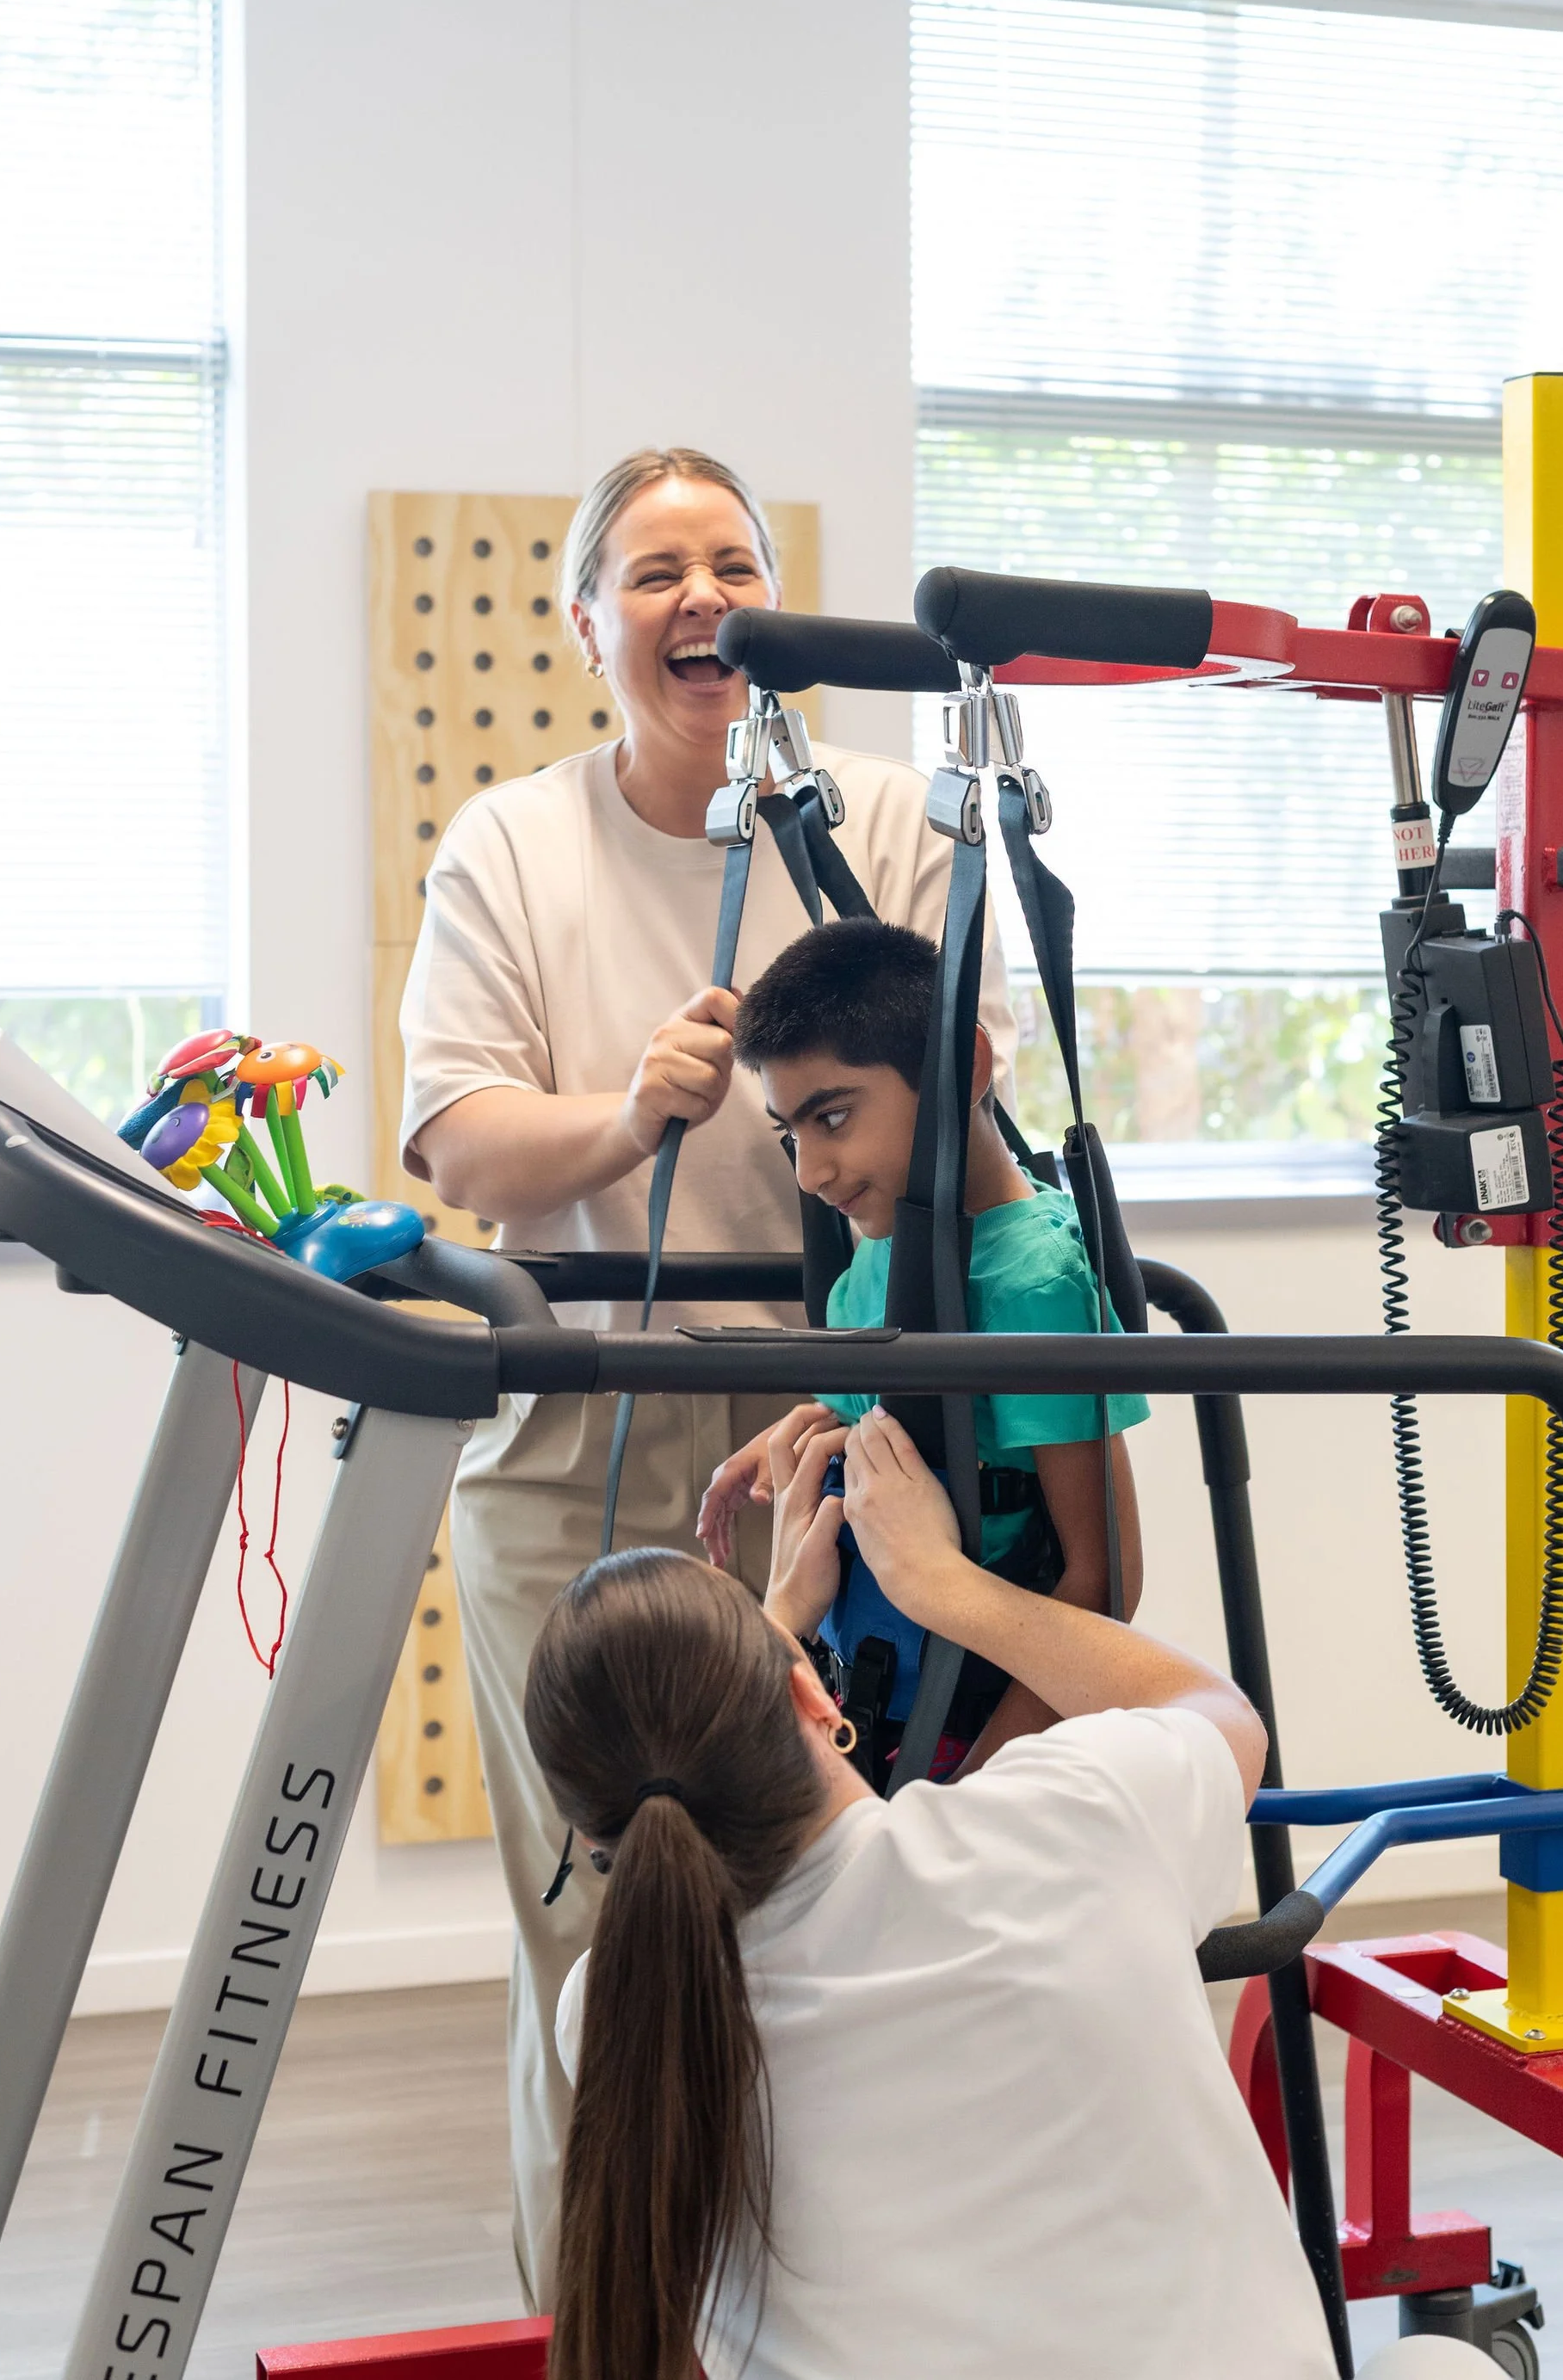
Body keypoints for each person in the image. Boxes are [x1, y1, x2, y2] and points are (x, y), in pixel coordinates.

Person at [398, 444, 1016, 2305]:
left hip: (837, 1425)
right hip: (583, 1438)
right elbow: (455, 1143)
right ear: (588, 623)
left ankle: (829, 2309)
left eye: (731, 564)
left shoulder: (884, 819)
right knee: (598, 1917)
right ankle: (606, 2321)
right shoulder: (514, 841)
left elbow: (965, 1081)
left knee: (840, 1892)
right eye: (652, 571)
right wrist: (627, 1116)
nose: (700, 599)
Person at [528, 1411, 1335, 2380]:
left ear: (588, 1835)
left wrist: (779, 1624)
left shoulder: (612, 2012)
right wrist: (941, 1585)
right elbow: (1213, 1711)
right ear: (812, 1699)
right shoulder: (1066, 1821)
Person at [700, 915, 1146, 1775]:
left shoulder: (1031, 1285)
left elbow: (1101, 1583)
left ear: (962, 1069)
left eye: (832, 1117)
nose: (809, 1172)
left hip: (975, 1735)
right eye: (788, 1133)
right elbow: (906, 1411)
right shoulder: (879, 1248)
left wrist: (972, 1794)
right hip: (869, 1712)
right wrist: (790, 1430)